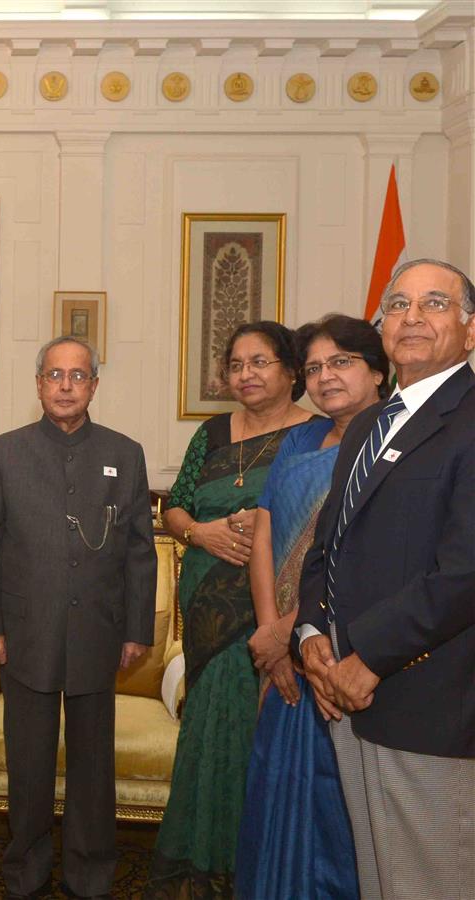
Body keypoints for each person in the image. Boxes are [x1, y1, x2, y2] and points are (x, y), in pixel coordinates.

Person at [296, 259, 475, 899]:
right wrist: (313, 638)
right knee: (380, 883)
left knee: (430, 886)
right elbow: (329, 547)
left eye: (434, 303)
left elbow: (464, 572)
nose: (413, 317)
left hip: (430, 704)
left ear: (470, 329)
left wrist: (365, 656)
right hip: (348, 697)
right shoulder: (371, 422)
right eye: (398, 305)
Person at [0, 336, 157, 899]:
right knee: (28, 764)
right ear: (39, 384)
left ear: (94, 386)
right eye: (55, 375)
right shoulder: (4, 453)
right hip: (26, 634)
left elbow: (140, 552)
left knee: (91, 767)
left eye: (78, 376)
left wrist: (136, 630)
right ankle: (24, 872)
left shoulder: (124, 453)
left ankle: (90, 873)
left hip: (100, 636)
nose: (66, 386)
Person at [147, 320, 315, 897]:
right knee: (208, 736)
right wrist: (203, 533)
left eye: (260, 362)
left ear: (292, 371)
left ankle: (259, 872)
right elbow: (174, 507)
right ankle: (203, 866)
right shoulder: (213, 433)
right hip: (207, 607)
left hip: (278, 613)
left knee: (260, 737)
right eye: (237, 365)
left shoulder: (318, 436)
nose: (245, 375)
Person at [235, 315, 388, 898]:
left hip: (338, 655)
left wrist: (296, 632)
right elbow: (266, 533)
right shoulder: (300, 440)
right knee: (275, 787)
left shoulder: (390, 443)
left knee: (333, 806)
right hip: (284, 652)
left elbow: (361, 553)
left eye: (342, 362)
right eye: (317, 367)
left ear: (378, 369)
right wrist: (271, 633)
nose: (326, 377)